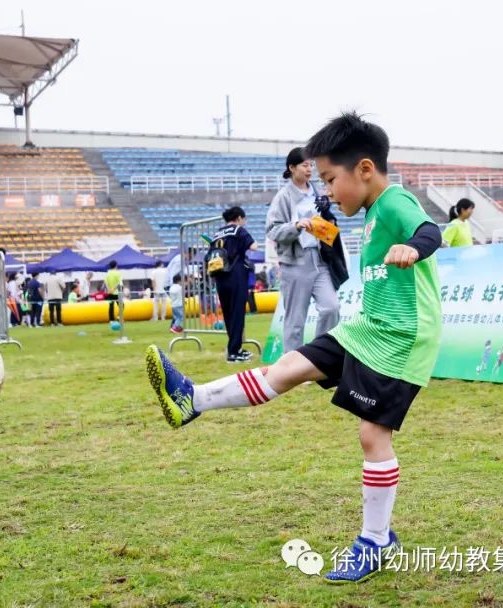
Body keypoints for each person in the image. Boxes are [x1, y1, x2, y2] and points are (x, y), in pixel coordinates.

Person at [146, 113, 442, 583]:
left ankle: (376, 540)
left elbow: (429, 231)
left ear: (364, 169)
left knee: (373, 436)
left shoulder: (393, 201)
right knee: (287, 366)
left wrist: (414, 249)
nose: (326, 191)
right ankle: (191, 400)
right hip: (365, 330)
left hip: (401, 339)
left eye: (330, 179)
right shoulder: (369, 214)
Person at [266, 147, 341, 353]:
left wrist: (327, 213)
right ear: (292, 168)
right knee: (295, 319)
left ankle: (319, 357)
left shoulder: (318, 191)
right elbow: (272, 230)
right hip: (295, 264)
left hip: (320, 260)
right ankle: (291, 366)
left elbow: (329, 222)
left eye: (311, 165)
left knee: (331, 308)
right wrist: (296, 226)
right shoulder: (283, 197)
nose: (309, 169)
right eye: (305, 165)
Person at [209, 206, 258, 362]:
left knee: (229, 314)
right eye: (243, 220)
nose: (244, 222)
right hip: (235, 274)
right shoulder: (238, 230)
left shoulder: (217, 234)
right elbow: (253, 246)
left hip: (220, 276)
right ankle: (234, 352)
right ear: (238, 218)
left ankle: (234, 347)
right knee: (237, 313)